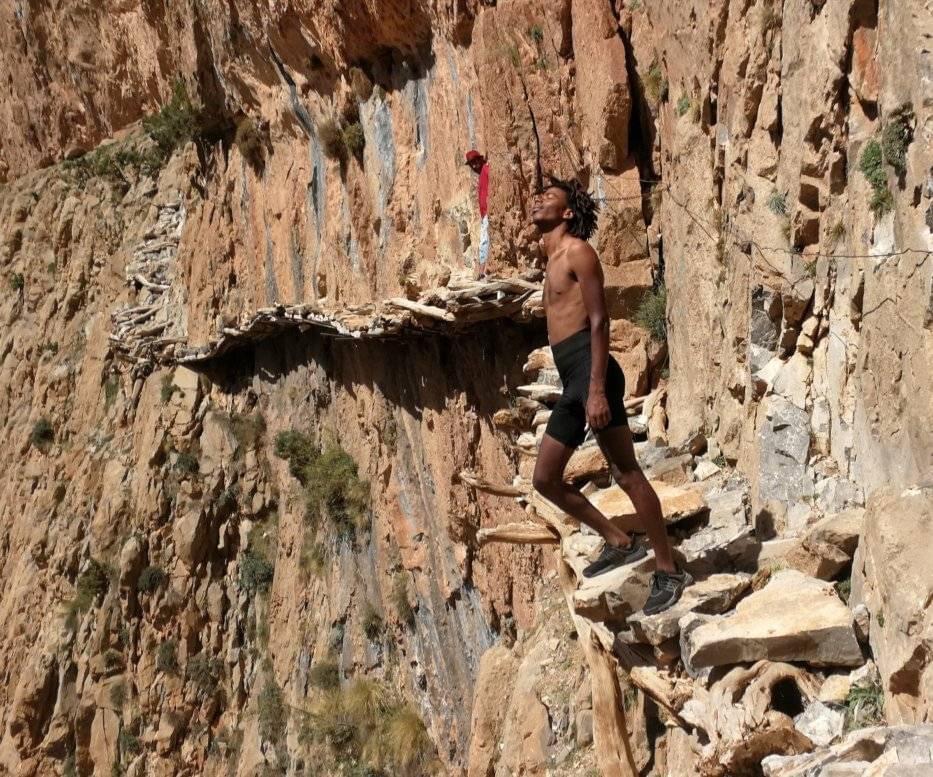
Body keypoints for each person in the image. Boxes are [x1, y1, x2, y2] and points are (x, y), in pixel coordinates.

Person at [530, 176, 690, 615]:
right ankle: (619, 540)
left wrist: (597, 389)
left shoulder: (579, 251)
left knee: (625, 471)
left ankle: (668, 570)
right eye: (538, 194)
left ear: (567, 213)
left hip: (592, 372)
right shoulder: (551, 257)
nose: (539, 198)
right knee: (543, 479)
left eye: (550, 196)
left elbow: (600, 321)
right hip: (572, 380)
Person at [465, 150, 490, 279]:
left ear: (480, 160)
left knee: (484, 241)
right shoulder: (481, 174)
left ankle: (482, 272)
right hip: (484, 214)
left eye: (475, 162)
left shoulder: (486, 169)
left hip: (488, 213)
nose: (474, 166)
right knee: (484, 241)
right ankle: (482, 271)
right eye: (471, 164)